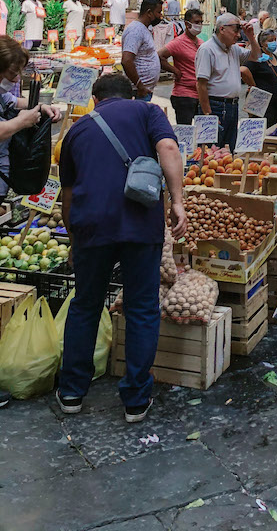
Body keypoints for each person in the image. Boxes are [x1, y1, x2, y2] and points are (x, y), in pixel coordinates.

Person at [57, 73, 186, 422]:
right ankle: (135, 398)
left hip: (90, 226)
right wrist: (177, 201)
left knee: (85, 305)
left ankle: (71, 391)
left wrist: (74, 239)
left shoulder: (77, 131)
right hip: (140, 224)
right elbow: (169, 148)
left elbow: (67, 195)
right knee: (142, 307)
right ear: (131, 96)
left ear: (95, 101)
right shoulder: (148, 112)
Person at [0, 36, 60, 202]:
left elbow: (16, 102)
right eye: (12, 73)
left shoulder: (1, 94)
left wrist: (41, 106)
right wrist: (22, 122)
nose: (16, 79)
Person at [195, 12, 258, 153]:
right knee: (211, 153)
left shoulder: (233, 49)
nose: (238, 35)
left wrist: (251, 37)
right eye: (236, 30)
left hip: (232, 106)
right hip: (215, 106)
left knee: (229, 152)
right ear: (222, 29)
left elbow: (256, 56)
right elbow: (201, 84)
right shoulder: (207, 49)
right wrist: (208, 114)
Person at [158, 9, 203, 124]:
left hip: (201, 95)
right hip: (184, 95)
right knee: (185, 134)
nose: (200, 25)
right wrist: (174, 70)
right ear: (187, 24)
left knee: (203, 136)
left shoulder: (201, 43)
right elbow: (159, 56)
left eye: (201, 22)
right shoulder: (178, 42)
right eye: (196, 22)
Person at [241, 30, 277, 127]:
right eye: (270, 40)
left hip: (276, 106)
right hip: (262, 105)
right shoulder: (257, 58)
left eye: (275, 40)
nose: (273, 42)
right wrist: (252, 85)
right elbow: (243, 70)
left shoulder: (275, 57)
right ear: (262, 43)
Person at [121, 0, 163, 101]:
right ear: (149, 12)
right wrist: (140, 85)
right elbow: (126, 60)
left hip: (143, 90)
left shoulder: (144, 29)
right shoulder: (136, 30)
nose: (160, 16)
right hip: (137, 91)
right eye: (158, 12)